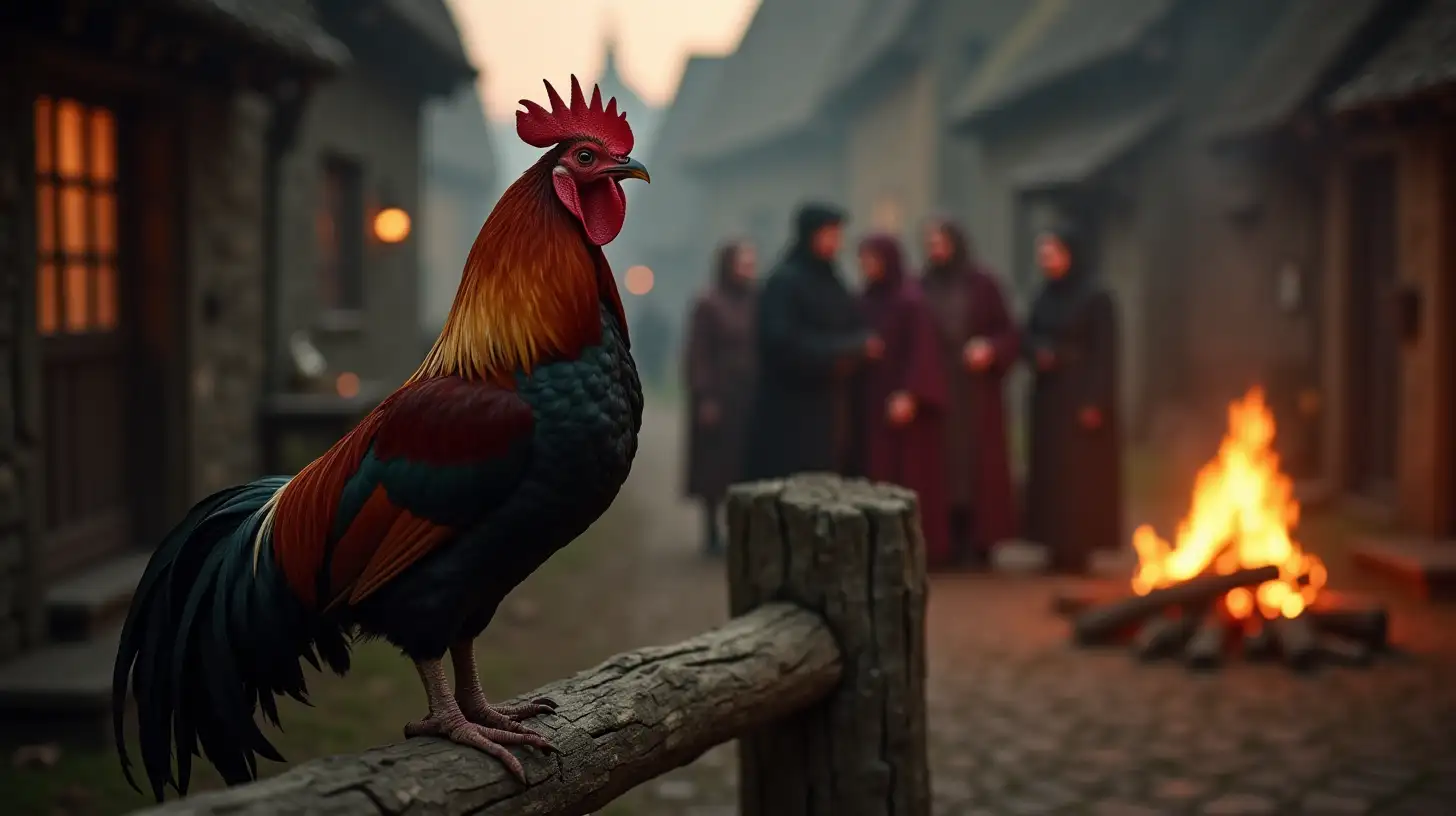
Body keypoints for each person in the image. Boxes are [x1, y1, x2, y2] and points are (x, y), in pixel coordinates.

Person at [741, 203, 879, 480]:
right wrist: (846, 350)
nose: (835, 242)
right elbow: (783, 344)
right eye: (829, 234)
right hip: (792, 414)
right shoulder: (785, 283)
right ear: (810, 235)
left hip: (831, 409)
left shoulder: (833, 280)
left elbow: (850, 324)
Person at [1023, 216, 1123, 573]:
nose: (1046, 260)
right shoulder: (1044, 295)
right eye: (1043, 254)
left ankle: (1080, 548)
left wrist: (1096, 401)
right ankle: (1052, 545)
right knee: (1051, 473)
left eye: (1052, 253)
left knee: (1080, 476)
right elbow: (1028, 334)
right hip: (1049, 398)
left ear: (1071, 255)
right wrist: (1038, 353)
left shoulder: (1096, 297)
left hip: (1080, 395)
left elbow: (1105, 352)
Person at [920, 218, 1020, 570]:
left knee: (977, 466)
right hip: (939, 388)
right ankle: (944, 541)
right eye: (930, 243)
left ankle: (979, 542)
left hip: (976, 392)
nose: (936, 250)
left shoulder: (983, 285)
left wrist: (989, 349)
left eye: (941, 242)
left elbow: (1009, 331)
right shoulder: (920, 287)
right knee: (943, 467)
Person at [856, 234, 952, 567]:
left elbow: (923, 352)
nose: (866, 268)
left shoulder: (910, 301)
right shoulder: (866, 300)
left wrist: (910, 393)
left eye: (872, 260)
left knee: (909, 477)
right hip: (873, 401)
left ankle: (914, 547)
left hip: (903, 405)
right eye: (863, 261)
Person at [683, 241, 758, 555]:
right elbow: (698, 354)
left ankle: (740, 531)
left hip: (747, 394)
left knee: (742, 464)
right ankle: (712, 532)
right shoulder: (709, 302)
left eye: (750, 263)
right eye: (742, 263)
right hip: (718, 394)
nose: (747, 269)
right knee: (714, 466)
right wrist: (706, 397)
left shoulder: (756, 301)